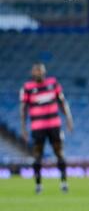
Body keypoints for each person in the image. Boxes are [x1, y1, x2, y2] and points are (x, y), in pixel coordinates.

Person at [20, 63, 74, 194]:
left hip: (54, 125)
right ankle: (38, 185)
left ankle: (64, 183)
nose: (38, 73)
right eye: (35, 71)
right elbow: (23, 108)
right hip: (37, 127)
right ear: (32, 73)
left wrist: (69, 119)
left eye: (40, 70)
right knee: (37, 155)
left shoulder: (53, 83)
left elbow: (62, 102)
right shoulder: (27, 87)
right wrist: (23, 127)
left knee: (59, 153)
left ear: (44, 72)